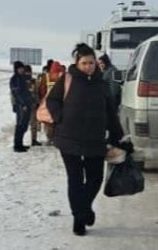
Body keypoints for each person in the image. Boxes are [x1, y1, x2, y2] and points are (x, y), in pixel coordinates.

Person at [46, 44, 130, 236]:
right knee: (75, 180)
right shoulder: (68, 79)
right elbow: (52, 100)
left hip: (95, 140)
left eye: (91, 62)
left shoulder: (102, 84)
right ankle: (79, 218)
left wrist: (120, 139)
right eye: (84, 63)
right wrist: (60, 117)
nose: (88, 66)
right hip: (69, 139)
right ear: (77, 63)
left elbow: (110, 114)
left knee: (95, 179)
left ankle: (85, 208)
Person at [9, 61, 35, 153]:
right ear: (16, 69)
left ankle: (21, 143)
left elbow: (29, 81)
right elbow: (17, 93)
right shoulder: (15, 79)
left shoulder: (22, 77)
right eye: (19, 68)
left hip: (27, 104)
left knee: (24, 125)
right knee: (20, 125)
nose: (21, 70)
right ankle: (17, 145)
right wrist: (23, 104)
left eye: (22, 68)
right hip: (21, 105)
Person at [38, 61, 65, 144]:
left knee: (48, 121)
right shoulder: (63, 76)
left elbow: (42, 90)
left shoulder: (46, 77)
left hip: (47, 102)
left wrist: (42, 99)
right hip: (60, 102)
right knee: (58, 120)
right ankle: (57, 137)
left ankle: (50, 138)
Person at [24, 65, 42, 146]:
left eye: (29, 72)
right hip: (24, 106)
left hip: (33, 105)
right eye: (26, 72)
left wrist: (38, 103)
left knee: (33, 124)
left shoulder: (34, 81)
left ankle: (34, 140)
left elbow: (37, 92)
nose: (28, 73)